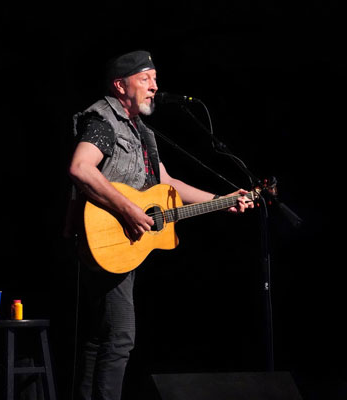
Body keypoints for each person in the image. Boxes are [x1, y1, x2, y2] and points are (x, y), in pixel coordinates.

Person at [66, 50, 252, 400]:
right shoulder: (103, 121)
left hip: (121, 247)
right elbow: (81, 168)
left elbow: (167, 183)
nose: (154, 86)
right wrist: (128, 210)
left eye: (155, 79)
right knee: (121, 336)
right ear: (121, 85)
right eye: (145, 79)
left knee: (100, 337)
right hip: (105, 235)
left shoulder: (141, 132)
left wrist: (221, 200)